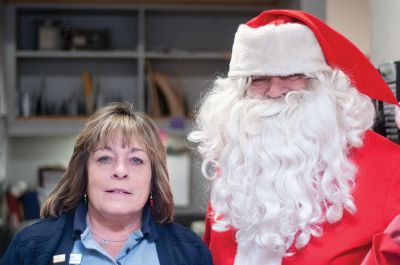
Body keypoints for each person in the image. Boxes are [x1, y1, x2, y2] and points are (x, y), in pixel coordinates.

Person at [189, 9, 400, 265]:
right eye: (259, 79)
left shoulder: (390, 167)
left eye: (292, 75)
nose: (275, 90)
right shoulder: (236, 166)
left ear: (324, 83)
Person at [1, 102, 213, 265]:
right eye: (104, 158)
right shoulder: (30, 247)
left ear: (153, 179)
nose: (120, 171)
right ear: (84, 174)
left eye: (136, 160)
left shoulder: (191, 252)